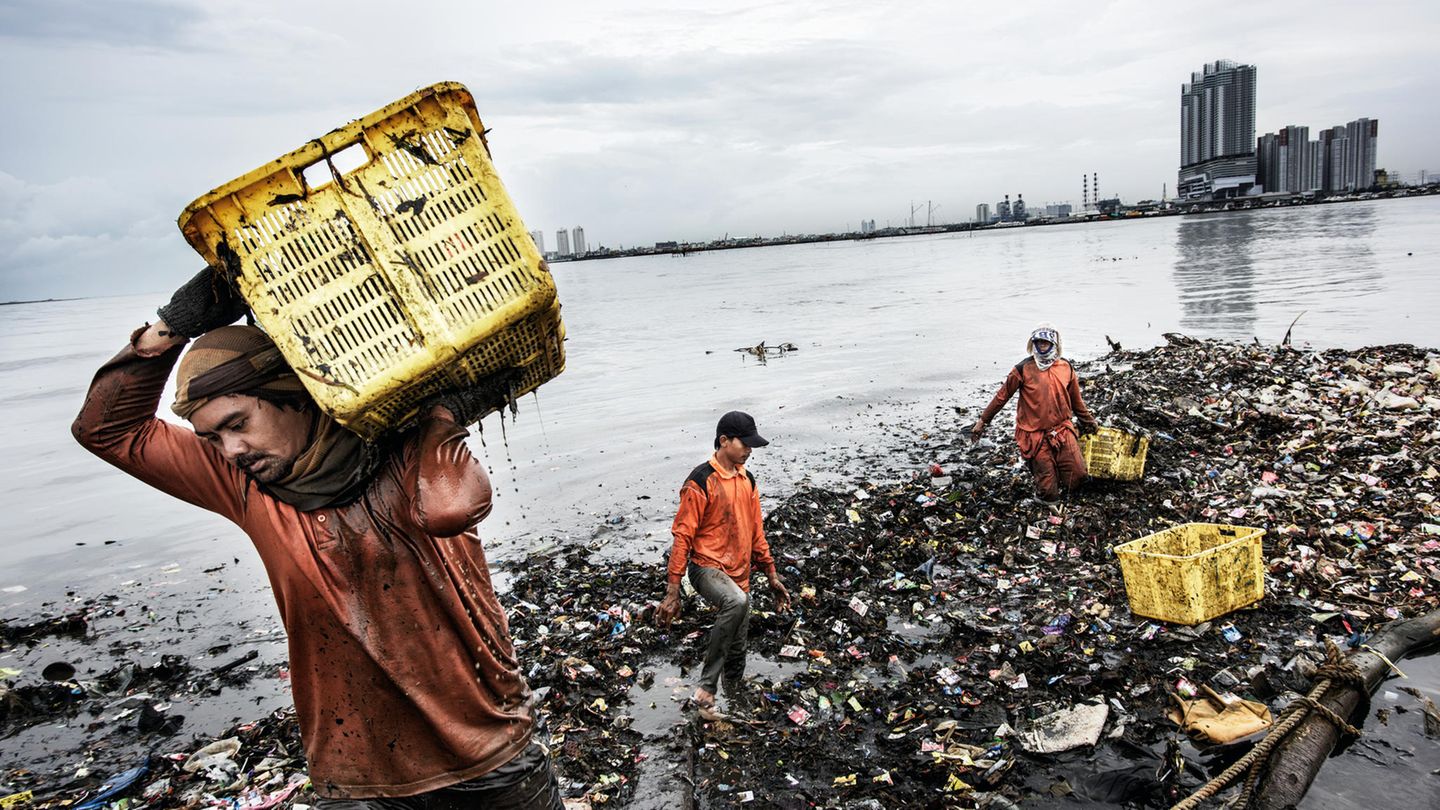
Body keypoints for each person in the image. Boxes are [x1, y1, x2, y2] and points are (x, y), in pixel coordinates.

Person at [71, 267, 562, 809]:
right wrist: (169, 327)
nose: (229, 449)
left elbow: (447, 507)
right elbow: (107, 430)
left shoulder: (399, 447)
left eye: (238, 423)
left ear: (294, 398)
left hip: (484, 754)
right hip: (354, 772)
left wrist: (445, 416)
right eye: (211, 437)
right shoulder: (245, 485)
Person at [655, 411, 792, 719]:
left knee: (738, 651)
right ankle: (706, 689)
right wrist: (673, 588)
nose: (749, 450)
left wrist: (771, 574)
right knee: (736, 601)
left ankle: (733, 696)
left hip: (740, 573)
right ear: (724, 441)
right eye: (744, 443)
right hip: (707, 567)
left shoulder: (747, 480)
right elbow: (682, 536)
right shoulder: (701, 481)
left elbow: (757, 532)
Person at [971, 323, 1099, 505]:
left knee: (1078, 476)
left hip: (1061, 430)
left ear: (1054, 343)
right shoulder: (1023, 369)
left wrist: (1088, 420)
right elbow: (1001, 397)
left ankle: (1060, 479)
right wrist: (983, 421)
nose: (1042, 346)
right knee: (1048, 493)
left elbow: (1076, 400)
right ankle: (1046, 487)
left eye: (1046, 342)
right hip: (1034, 435)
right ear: (1033, 344)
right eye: (1038, 343)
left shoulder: (1066, 368)